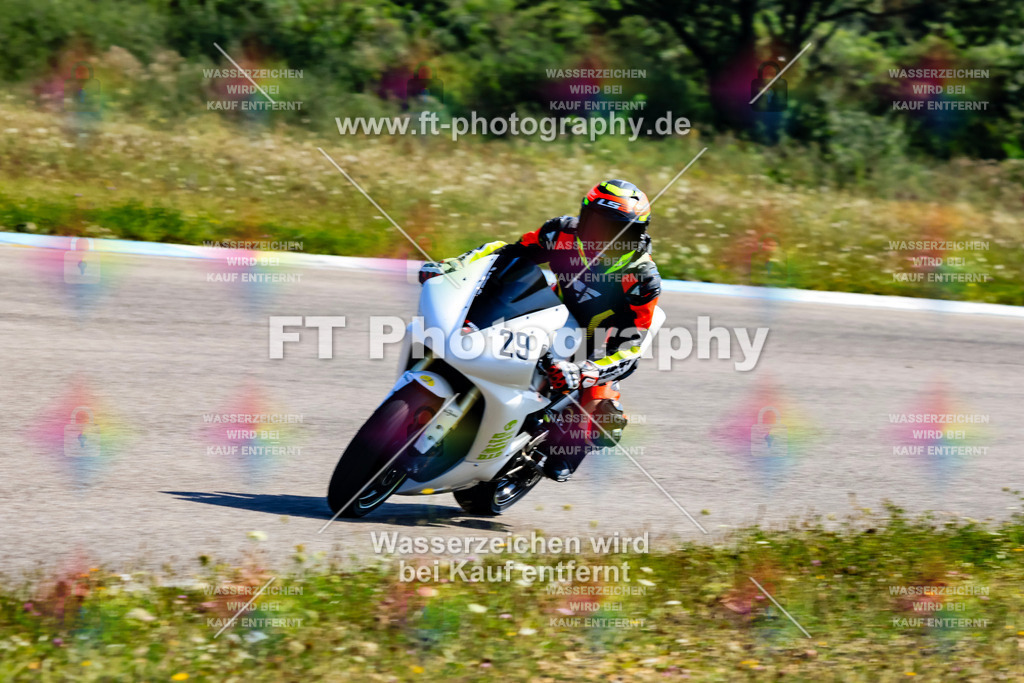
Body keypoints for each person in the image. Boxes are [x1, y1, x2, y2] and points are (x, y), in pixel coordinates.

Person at [419, 179, 661, 481]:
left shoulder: (642, 278)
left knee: (604, 422)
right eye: (601, 227)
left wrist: (586, 371)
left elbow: (634, 347)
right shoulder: (560, 233)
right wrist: (454, 265)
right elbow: (506, 253)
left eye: (621, 232)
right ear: (584, 219)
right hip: (543, 312)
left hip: (594, 345)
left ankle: (560, 443)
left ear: (638, 235)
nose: (608, 239)